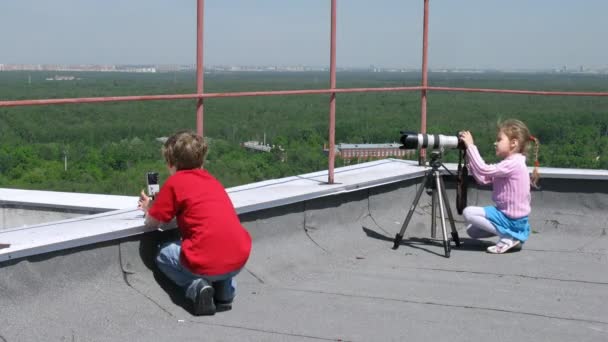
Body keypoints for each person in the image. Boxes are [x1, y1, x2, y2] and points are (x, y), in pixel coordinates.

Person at [138, 131, 252, 315]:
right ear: (202, 161)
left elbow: (154, 222)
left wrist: (149, 208)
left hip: (205, 262)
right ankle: (225, 292)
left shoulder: (175, 183)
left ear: (170, 163)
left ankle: (197, 288)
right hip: (238, 258)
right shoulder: (213, 181)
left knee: (164, 253)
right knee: (218, 251)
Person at [459, 119, 540, 254]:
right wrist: (469, 157)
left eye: (499, 139)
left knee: (468, 212)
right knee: (472, 231)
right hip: (511, 218)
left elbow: (483, 169)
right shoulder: (511, 163)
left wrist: (471, 146)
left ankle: (508, 237)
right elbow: (483, 180)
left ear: (513, 143)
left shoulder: (513, 164)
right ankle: (511, 236)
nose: (495, 143)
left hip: (510, 218)